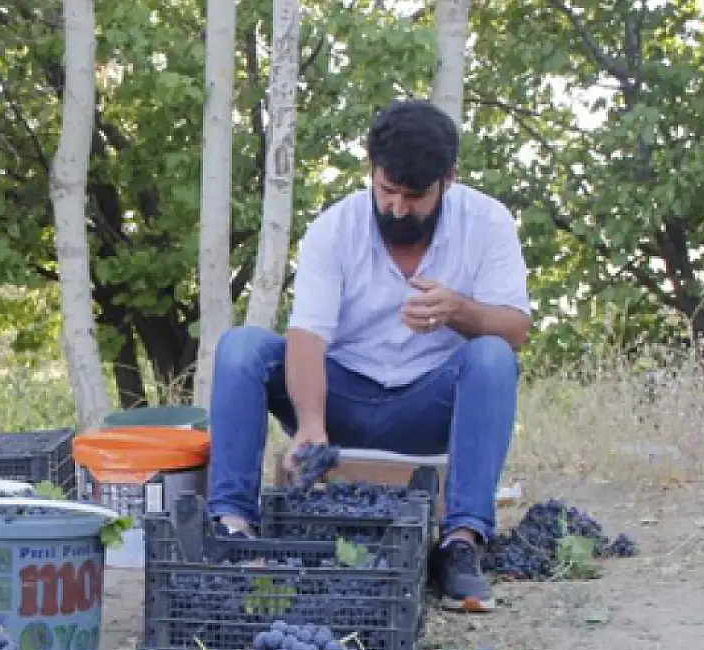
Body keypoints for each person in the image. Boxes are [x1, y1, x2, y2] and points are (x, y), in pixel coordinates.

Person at [205, 98, 531, 613]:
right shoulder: (334, 228)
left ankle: (461, 545)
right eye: (387, 191)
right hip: (342, 400)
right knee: (242, 348)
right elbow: (307, 335)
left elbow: (515, 330)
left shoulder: (487, 222)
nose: (398, 208)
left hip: (426, 406)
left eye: (414, 196)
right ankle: (233, 530)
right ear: (370, 173)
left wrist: (459, 310)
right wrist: (311, 423)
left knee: (491, 356)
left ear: (448, 179)